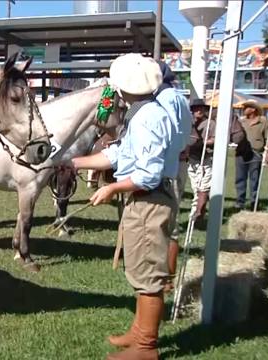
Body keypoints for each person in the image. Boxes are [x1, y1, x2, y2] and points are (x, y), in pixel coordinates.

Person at [68, 53, 178, 360]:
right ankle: (139, 332)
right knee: (141, 271)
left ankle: (146, 347)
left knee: (149, 277)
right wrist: (72, 162)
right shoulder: (141, 112)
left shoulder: (146, 118)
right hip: (145, 199)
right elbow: (118, 156)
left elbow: (147, 174)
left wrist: (112, 187)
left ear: (122, 88)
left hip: (149, 200)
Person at [154, 61, 192, 290]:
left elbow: (165, 135)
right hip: (177, 163)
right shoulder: (177, 97)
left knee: (168, 222)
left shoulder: (166, 99)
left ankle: (166, 278)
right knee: (169, 219)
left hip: (169, 165)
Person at [235, 100, 268, 210]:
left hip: (256, 153)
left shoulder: (263, 121)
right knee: (240, 178)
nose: (244, 109)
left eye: (246, 107)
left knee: (254, 179)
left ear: (253, 109)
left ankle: (254, 202)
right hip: (241, 153)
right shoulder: (240, 121)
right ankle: (240, 201)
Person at [187, 98, 215, 223]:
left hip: (206, 158)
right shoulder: (189, 123)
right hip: (193, 159)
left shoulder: (210, 123)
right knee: (195, 187)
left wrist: (202, 143)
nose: (199, 111)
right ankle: (198, 212)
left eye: (201, 108)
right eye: (196, 109)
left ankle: (198, 214)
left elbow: (214, 139)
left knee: (203, 187)